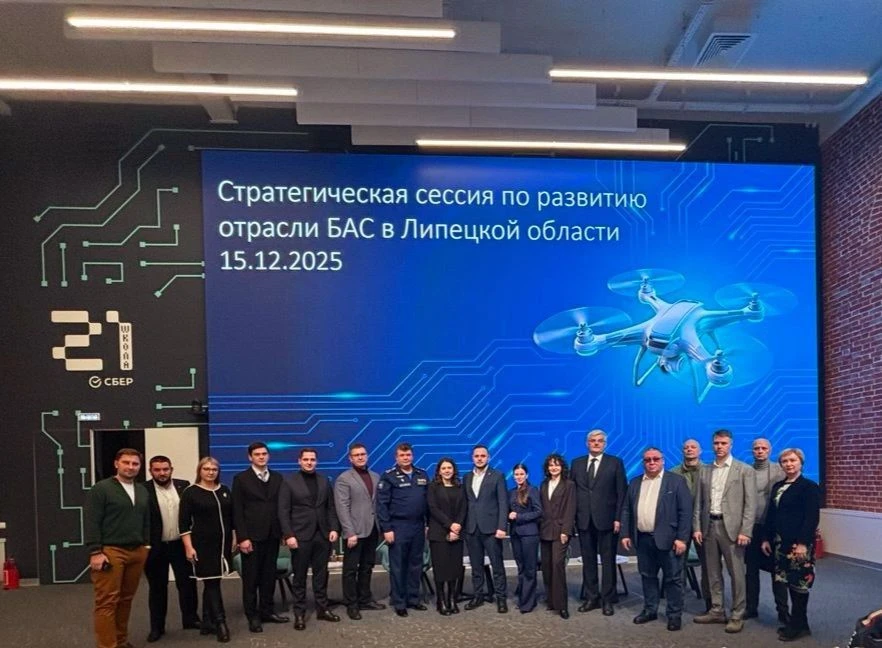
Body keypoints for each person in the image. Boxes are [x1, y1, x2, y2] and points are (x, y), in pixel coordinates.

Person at [620, 447, 692, 631]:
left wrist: (682, 539)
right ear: (643, 462)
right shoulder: (635, 482)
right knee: (647, 576)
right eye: (647, 460)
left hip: (669, 540)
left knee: (673, 579)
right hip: (643, 539)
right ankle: (650, 610)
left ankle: (674, 615)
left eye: (655, 459)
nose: (651, 462)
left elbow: (685, 512)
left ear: (662, 460)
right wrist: (626, 534)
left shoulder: (676, 481)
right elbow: (627, 510)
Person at [84, 448, 151, 648]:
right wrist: (95, 551)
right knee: (107, 602)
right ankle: (107, 645)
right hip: (110, 551)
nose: (131, 467)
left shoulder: (141, 490)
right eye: (126, 463)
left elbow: (146, 519)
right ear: (116, 464)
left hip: (137, 551)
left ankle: (120, 641)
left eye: (135, 464)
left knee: (126, 599)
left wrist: (146, 545)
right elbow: (91, 521)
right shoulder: (102, 489)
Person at [693, 429, 757, 634]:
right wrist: (697, 527)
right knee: (712, 572)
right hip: (709, 526)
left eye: (723, 443)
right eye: (716, 443)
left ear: (731, 445)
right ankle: (717, 610)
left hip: (733, 530)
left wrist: (746, 531)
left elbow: (751, 504)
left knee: (736, 574)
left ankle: (737, 614)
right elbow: (698, 502)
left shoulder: (744, 470)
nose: (719, 447)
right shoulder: (704, 470)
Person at [761, 448, 821, 642]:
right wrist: (765, 538)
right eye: (785, 461)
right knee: (787, 582)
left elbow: (811, 518)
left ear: (801, 463)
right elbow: (772, 515)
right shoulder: (778, 486)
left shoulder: (809, 487)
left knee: (799, 584)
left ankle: (797, 625)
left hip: (798, 545)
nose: (789, 464)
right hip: (780, 544)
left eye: (793, 460)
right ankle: (800, 624)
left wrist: (803, 543)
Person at [278, 447, 340, 630]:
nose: (309, 462)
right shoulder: (289, 482)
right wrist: (289, 535)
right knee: (299, 577)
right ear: (299, 461)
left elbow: (330, 507)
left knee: (321, 575)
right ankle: (299, 613)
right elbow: (283, 511)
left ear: (316, 461)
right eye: (306, 459)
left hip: (322, 534)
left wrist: (334, 528)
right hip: (300, 536)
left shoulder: (324, 480)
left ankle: (322, 609)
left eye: (312, 459)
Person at [231, 442, 289, 633]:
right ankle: (252, 616)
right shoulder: (241, 479)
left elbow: (281, 507)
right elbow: (237, 510)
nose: (261, 457)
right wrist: (242, 538)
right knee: (251, 579)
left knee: (268, 577)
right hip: (251, 537)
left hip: (273, 535)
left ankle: (267, 611)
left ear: (268, 456)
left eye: (264, 454)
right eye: (257, 454)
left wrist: (283, 532)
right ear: (250, 457)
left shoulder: (278, 477)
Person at [144, 455, 200, 643]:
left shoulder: (184, 486)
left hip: (181, 544)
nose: (162, 473)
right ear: (151, 471)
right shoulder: (143, 490)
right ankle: (157, 627)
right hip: (156, 546)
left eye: (165, 469)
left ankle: (190, 619)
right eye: (157, 470)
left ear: (171, 470)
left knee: (187, 584)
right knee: (157, 588)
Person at [571, 429, 626, 616]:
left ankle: (607, 599)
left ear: (605, 444)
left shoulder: (615, 463)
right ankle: (591, 597)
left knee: (608, 562)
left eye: (600, 441)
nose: (596, 443)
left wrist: (618, 518)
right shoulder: (576, 463)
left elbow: (621, 493)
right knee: (588, 562)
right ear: (587, 443)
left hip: (608, 521)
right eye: (593, 440)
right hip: (584, 520)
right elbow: (572, 493)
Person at [179, 457, 233, 643]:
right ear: (199, 471)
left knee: (214, 580)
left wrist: (234, 538)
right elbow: (183, 523)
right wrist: (189, 547)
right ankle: (221, 623)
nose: (210, 472)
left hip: (222, 545)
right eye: (206, 469)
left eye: (214, 469)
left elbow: (230, 518)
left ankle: (207, 622)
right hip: (202, 546)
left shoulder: (224, 490)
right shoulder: (190, 493)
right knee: (212, 584)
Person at [376, 442, 430, 617]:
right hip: (398, 527)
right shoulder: (388, 476)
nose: (405, 458)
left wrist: (427, 524)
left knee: (415, 564)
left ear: (412, 456)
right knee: (398, 566)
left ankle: (413, 599)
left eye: (408, 455)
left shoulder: (422, 474)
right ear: (396, 457)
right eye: (402, 455)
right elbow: (382, 505)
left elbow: (428, 501)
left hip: (418, 526)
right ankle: (399, 602)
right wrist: (387, 528)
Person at [334, 442, 385, 621]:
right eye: (356, 455)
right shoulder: (344, 478)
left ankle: (365, 599)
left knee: (367, 566)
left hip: (372, 529)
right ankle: (352, 604)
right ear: (350, 458)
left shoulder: (375, 476)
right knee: (350, 570)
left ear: (367, 455)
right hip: (354, 532)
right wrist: (349, 532)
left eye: (363, 454)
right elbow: (342, 507)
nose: (360, 457)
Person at [463, 444, 509, 613]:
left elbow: (503, 502)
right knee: (476, 566)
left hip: (492, 529)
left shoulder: (497, 475)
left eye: (483, 456)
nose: (480, 458)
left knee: (497, 566)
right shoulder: (467, 477)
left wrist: (502, 526)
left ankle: (501, 598)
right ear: (472, 458)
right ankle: (478, 596)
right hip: (472, 528)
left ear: (488, 457)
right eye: (477, 456)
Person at [746, 437, 787, 621]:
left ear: (769, 450)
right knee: (751, 571)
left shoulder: (780, 471)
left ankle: (783, 612)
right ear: (752, 451)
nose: (760, 451)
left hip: (772, 528)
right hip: (751, 527)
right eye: (756, 448)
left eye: (763, 448)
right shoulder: (745, 471)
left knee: (777, 572)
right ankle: (751, 608)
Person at [670, 438, 710, 611]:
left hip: (704, 525)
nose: (689, 449)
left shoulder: (710, 471)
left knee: (709, 567)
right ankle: (676, 605)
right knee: (678, 567)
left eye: (693, 447)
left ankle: (711, 605)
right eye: (686, 447)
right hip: (681, 525)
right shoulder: (673, 473)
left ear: (700, 451)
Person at [427, 457, 467, 615]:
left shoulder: (460, 487)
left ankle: (452, 599)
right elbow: (433, 508)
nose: (447, 471)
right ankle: (441, 600)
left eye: (449, 468)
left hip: (457, 533)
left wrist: (457, 526)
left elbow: (464, 508)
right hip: (439, 533)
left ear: (454, 470)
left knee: (454, 568)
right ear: (439, 471)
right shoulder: (433, 487)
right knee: (441, 569)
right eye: (443, 468)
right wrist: (450, 525)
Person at [539, 453, 576, 619]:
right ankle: (551, 601)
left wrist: (565, 531)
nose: (553, 468)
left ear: (562, 467)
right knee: (546, 566)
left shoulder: (569, 485)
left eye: (557, 465)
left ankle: (562, 605)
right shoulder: (543, 484)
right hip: (545, 530)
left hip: (561, 531)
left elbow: (570, 509)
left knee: (557, 565)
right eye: (551, 465)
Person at [508, 463, 542, 614]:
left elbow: (538, 512)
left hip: (529, 534)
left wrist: (519, 516)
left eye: (521, 474)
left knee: (529, 569)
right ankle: (524, 598)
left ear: (526, 475)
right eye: (516, 474)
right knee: (521, 567)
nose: (519, 477)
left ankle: (528, 603)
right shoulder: (511, 492)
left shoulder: (533, 490)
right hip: (515, 534)